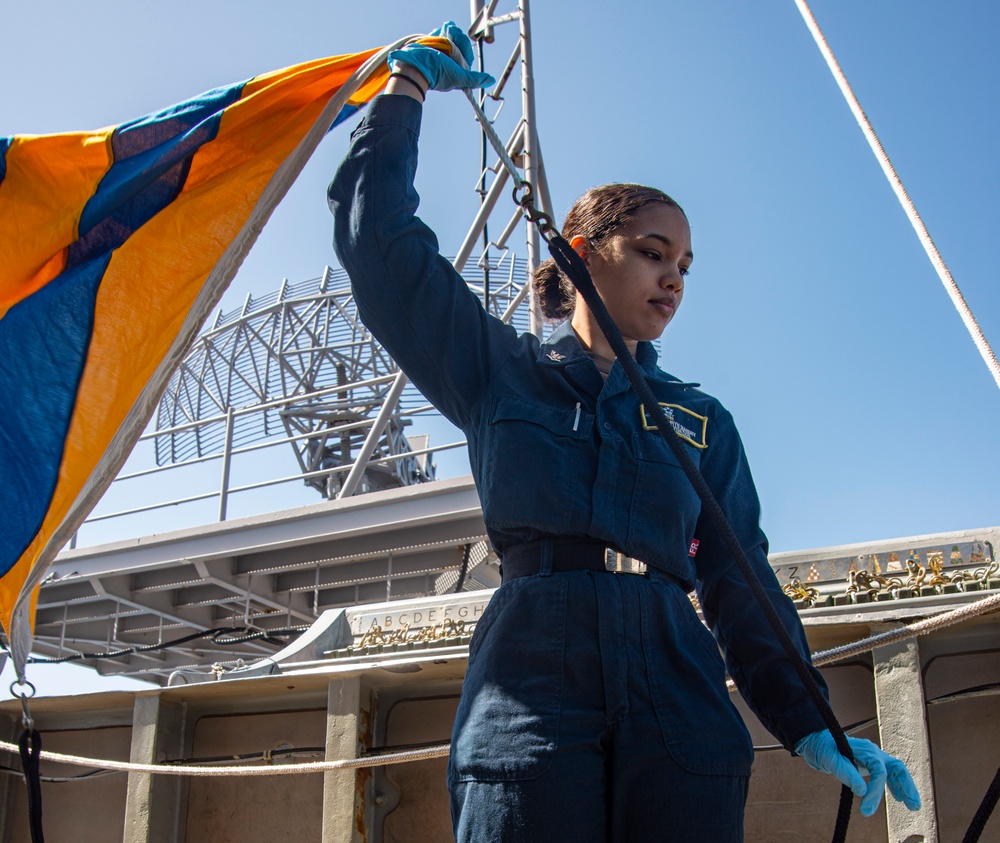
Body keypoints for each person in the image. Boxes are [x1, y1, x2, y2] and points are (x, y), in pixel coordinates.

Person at [329, 22, 921, 843]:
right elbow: (380, 250)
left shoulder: (702, 421)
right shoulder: (498, 371)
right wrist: (402, 96)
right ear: (580, 254)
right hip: (529, 675)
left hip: (676, 679)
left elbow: (741, 579)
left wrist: (808, 715)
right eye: (652, 252)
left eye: (684, 264)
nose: (674, 276)